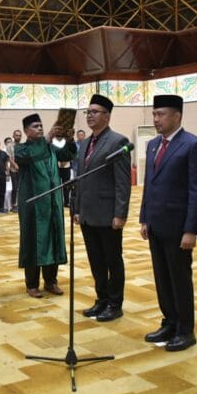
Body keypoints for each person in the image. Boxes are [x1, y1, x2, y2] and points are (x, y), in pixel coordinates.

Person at [139, 94, 197, 352]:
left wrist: (191, 229)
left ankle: (185, 329)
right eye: (154, 114)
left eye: (161, 114)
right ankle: (169, 321)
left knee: (179, 278)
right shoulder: (153, 145)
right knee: (162, 277)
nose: (156, 119)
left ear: (177, 116)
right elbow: (149, 184)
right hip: (156, 224)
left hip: (178, 227)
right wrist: (144, 217)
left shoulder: (193, 145)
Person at [73, 95, 131, 322]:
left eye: (94, 112)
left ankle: (115, 304)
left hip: (108, 215)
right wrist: (77, 208)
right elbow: (80, 178)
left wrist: (120, 214)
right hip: (87, 214)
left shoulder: (117, 141)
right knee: (95, 260)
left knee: (112, 260)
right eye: (88, 112)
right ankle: (101, 299)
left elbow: (123, 182)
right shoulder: (85, 143)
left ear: (107, 116)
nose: (89, 116)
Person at [16, 114, 76, 298]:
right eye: (35, 126)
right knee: (33, 241)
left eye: (41, 125)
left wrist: (69, 138)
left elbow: (68, 155)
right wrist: (48, 137)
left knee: (53, 238)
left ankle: (51, 281)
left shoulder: (51, 147)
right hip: (33, 206)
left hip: (53, 203)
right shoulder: (21, 149)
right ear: (26, 131)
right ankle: (32, 284)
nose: (40, 128)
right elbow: (29, 156)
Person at [8, 129, 22, 212]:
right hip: (13, 170)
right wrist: (15, 165)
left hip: (22, 170)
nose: (18, 137)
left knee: (21, 188)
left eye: (20, 135)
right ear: (13, 136)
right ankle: (14, 205)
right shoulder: (9, 145)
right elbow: (9, 158)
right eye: (17, 135)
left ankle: (21, 204)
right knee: (15, 187)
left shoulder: (22, 145)